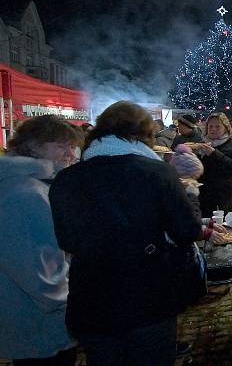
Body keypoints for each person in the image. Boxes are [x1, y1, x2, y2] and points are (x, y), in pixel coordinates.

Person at [49, 101, 202, 366]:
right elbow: (186, 231)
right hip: (147, 297)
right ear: (142, 135)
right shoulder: (156, 172)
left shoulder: (67, 178)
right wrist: (189, 196)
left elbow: (67, 240)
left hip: (92, 300)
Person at [0, 115, 80, 365]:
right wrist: (70, 305)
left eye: (71, 146)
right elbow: (39, 273)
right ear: (34, 145)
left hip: (34, 321)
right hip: (40, 327)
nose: (70, 154)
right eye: (60, 146)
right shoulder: (26, 193)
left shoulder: (30, 184)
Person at [188, 112, 232, 216]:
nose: (213, 129)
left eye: (217, 126)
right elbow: (197, 171)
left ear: (226, 128)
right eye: (210, 126)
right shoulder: (201, 144)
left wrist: (214, 153)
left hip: (228, 197)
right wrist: (190, 156)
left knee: (228, 230)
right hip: (206, 197)